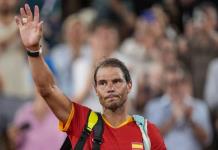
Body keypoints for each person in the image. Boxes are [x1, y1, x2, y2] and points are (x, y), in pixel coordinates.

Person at [15, 4, 166, 149]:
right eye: (103, 83)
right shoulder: (81, 122)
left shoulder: (147, 132)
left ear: (129, 85)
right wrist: (33, 50)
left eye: (116, 81)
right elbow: (47, 89)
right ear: (95, 89)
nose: (110, 87)